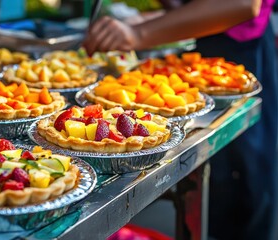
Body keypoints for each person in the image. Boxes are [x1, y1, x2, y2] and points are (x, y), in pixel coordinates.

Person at [83, 0, 278, 239]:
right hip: (204, 45)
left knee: (244, 196)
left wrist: (137, 33)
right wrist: (156, 17)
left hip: (240, 52)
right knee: (213, 202)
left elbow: (242, 3)